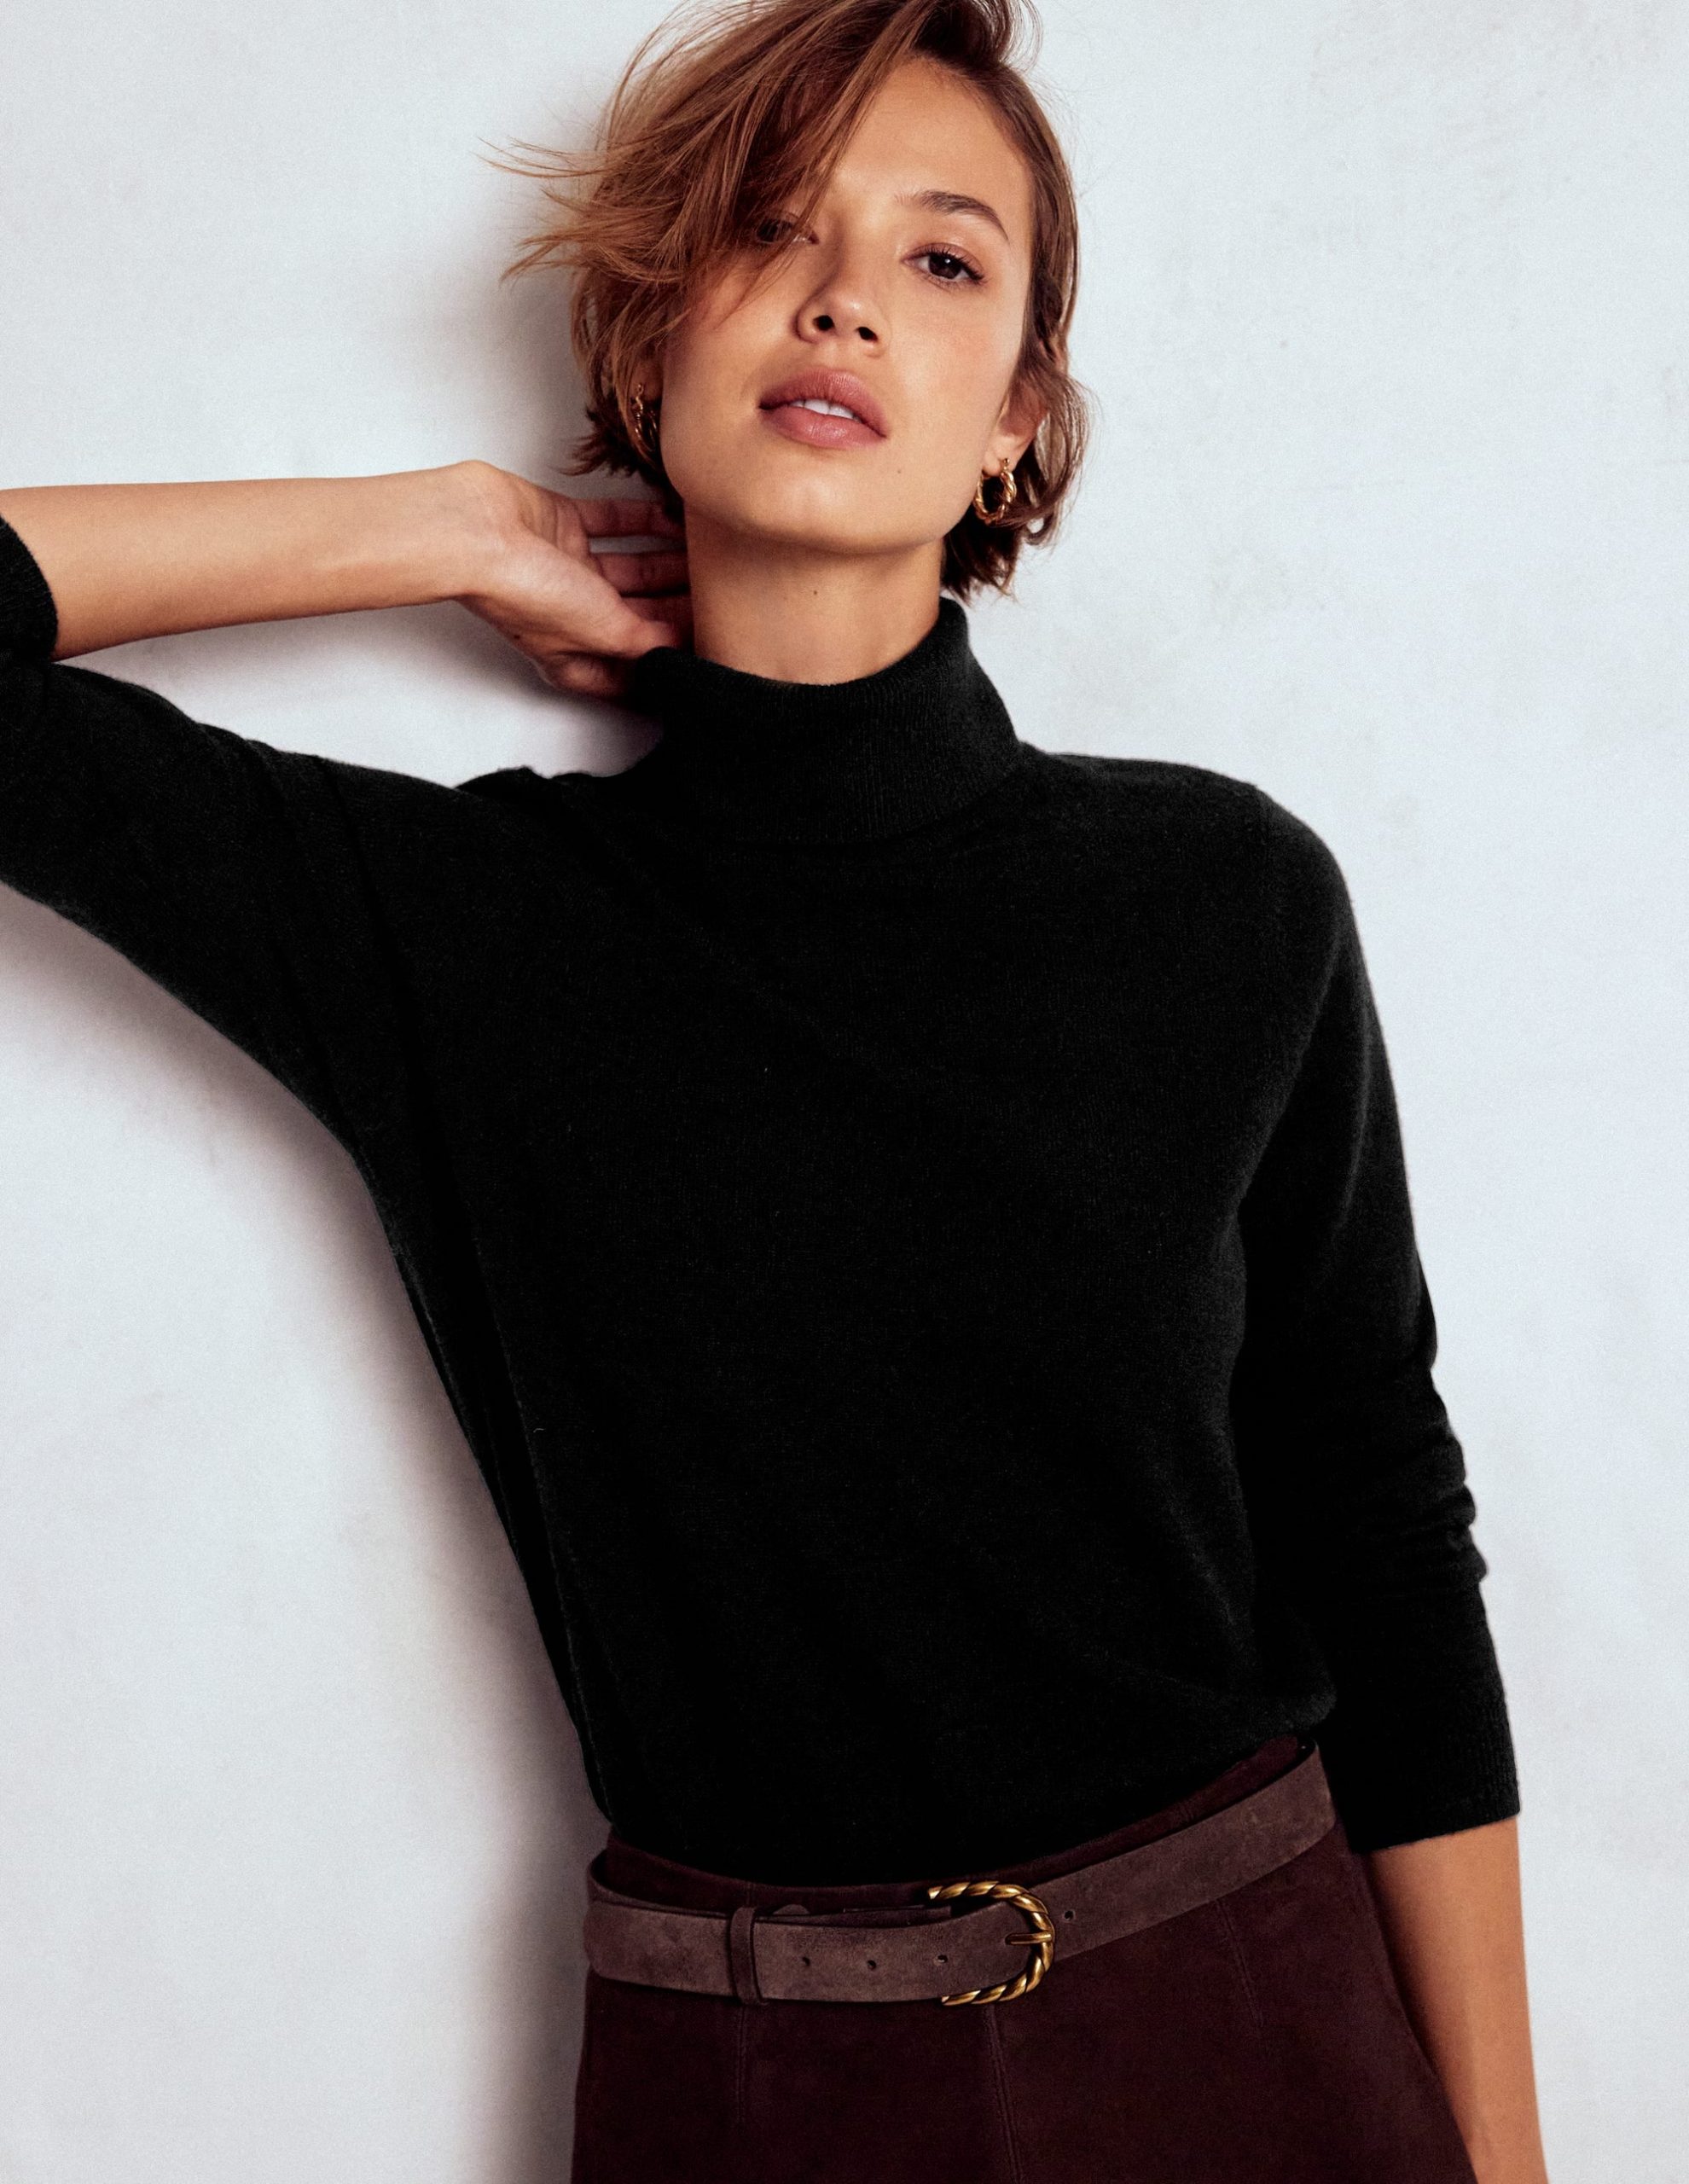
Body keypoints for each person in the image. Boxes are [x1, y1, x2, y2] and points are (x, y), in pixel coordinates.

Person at [0, 1, 1550, 2178]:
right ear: (651, 341)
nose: (842, 297)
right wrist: (452, 525)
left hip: (1252, 2021)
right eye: (767, 231)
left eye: (943, 257)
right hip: (744, 2088)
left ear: (1017, 422)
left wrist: (1504, 2159)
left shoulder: (1227, 899)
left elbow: (1383, 1530)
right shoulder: (458, 928)